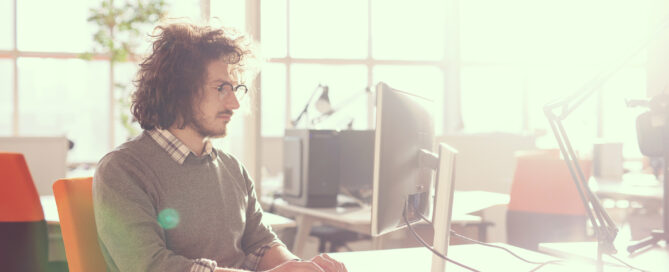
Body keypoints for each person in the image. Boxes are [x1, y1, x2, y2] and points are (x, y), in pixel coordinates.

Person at [93, 22, 348, 272]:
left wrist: (300, 267)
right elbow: (151, 266)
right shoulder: (122, 170)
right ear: (179, 90)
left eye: (236, 88)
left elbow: (261, 243)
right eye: (222, 88)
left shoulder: (232, 168)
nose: (235, 103)